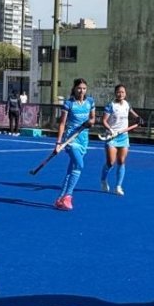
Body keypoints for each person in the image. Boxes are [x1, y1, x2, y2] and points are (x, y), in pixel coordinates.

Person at [53, 78, 96, 211]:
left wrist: (89, 122)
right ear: (74, 89)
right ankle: (68, 196)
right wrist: (58, 143)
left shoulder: (90, 102)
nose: (81, 91)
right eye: (79, 88)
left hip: (83, 139)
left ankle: (59, 199)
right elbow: (62, 124)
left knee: (71, 170)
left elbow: (93, 119)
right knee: (79, 165)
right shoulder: (68, 104)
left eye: (84, 88)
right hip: (71, 140)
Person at [100, 84, 142, 196]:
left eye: (123, 92)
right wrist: (110, 130)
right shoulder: (111, 106)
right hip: (112, 136)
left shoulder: (127, 104)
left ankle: (118, 186)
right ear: (115, 93)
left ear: (125, 93)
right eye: (118, 92)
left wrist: (139, 118)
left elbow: (133, 114)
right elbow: (104, 121)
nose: (121, 94)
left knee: (122, 161)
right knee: (111, 162)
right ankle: (103, 180)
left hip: (123, 137)